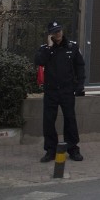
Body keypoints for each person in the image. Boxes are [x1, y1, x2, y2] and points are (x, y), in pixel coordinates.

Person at [34, 21, 86, 163]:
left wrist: (80, 85)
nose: (58, 34)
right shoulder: (45, 49)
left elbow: (80, 66)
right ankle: (50, 150)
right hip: (51, 91)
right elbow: (39, 61)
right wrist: (49, 48)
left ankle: (73, 149)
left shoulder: (72, 47)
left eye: (59, 31)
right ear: (50, 34)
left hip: (67, 90)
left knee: (70, 119)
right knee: (49, 121)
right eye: (54, 32)